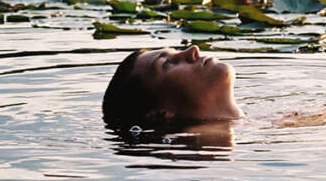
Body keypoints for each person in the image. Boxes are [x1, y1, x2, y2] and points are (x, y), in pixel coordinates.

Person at [102, 45, 244, 131]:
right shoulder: (207, 165)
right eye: (167, 64)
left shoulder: (258, 126)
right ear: (162, 114)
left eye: (177, 51)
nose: (193, 50)